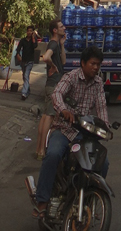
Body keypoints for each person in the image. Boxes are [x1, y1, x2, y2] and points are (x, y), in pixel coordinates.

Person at [32, 45, 110, 218]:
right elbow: (56, 94)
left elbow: (101, 107)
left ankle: (91, 200)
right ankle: (42, 201)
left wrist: (105, 127)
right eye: (93, 63)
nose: (96, 68)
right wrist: (63, 110)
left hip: (86, 135)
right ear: (83, 63)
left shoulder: (98, 84)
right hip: (64, 130)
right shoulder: (71, 77)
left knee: (103, 163)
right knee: (52, 155)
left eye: (98, 64)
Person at [36, 20, 66, 159]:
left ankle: (39, 148)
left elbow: (64, 62)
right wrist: (53, 66)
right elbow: (46, 57)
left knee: (45, 116)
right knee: (49, 116)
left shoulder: (57, 44)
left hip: (52, 84)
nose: (63, 28)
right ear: (55, 30)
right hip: (53, 84)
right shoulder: (53, 43)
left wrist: (62, 45)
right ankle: (41, 150)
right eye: (61, 27)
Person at [16, 26, 40, 100]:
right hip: (23, 60)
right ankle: (28, 90)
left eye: (31, 31)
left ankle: (24, 93)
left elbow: (35, 46)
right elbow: (18, 49)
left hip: (30, 61)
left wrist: (33, 37)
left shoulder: (33, 40)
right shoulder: (23, 40)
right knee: (24, 76)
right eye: (28, 31)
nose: (29, 32)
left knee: (26, 75)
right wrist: (18, 55)